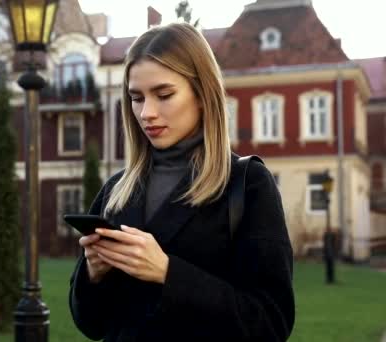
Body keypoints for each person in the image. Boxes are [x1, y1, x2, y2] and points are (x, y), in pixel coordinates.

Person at [68, 23, 295, 341]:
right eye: (136, 98)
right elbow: (90, 324)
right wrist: (93, 274)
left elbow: (271, 323)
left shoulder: (248, 184)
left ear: (202, 94)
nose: (146, 112)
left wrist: (167, 273)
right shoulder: (116, 190)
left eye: (163, 95)